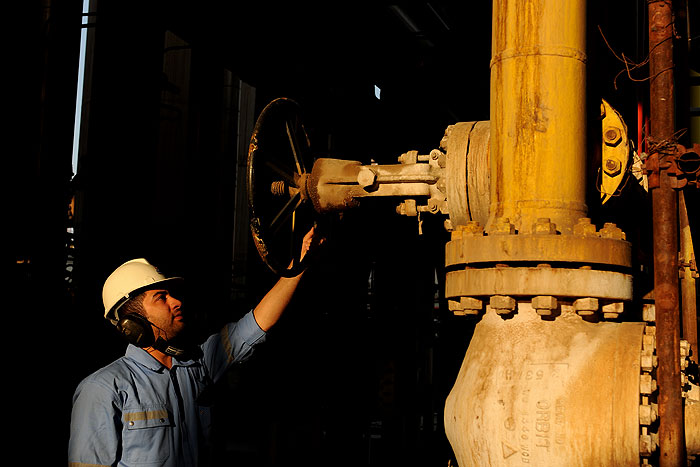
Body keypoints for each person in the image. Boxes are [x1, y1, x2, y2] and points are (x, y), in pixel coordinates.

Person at [68, 227, 320, 466]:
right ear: (131, 323)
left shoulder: (198, 366)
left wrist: (299, 263)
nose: (176, 302)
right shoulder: (102, 389)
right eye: (161, 297)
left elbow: (256, 324)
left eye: (172, 294)